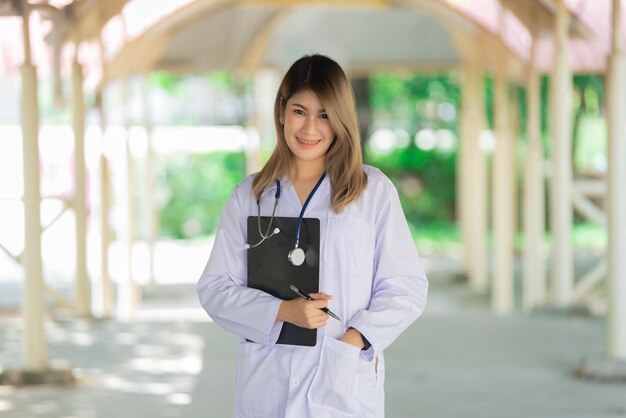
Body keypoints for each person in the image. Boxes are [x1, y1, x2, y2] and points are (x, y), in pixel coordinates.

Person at [197, 54, 428, 418]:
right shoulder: (250, 196)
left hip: (341, 384)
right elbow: (215, 288)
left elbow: (405, 287)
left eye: (324, 115)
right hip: (266, 383)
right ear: (281, 111)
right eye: (300, 111)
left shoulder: (372, 193)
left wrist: (353, 343)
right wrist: (281, 312)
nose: (309, 129)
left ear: (341, 120)